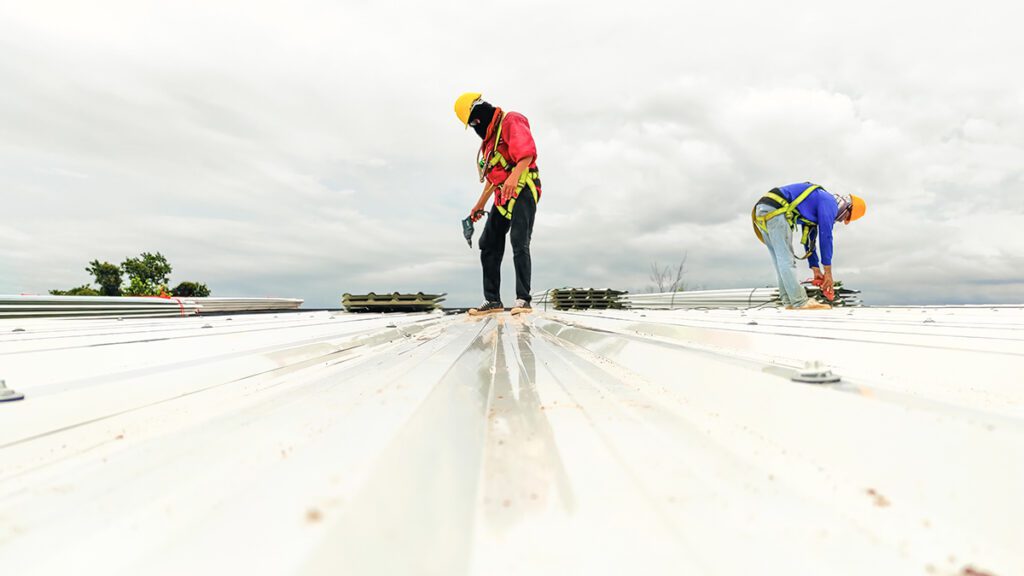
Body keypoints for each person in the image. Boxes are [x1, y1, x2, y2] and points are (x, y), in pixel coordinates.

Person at [453, 92, 542, 316]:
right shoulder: (489, 144)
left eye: (474, 121)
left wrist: (514, 177)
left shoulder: (511, 120)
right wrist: (478, 205)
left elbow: (527, 153)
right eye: (471, 124)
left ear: (480, 113)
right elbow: (493, 180)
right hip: (503, 196)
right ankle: (493, 301)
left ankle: (523, 300)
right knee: (488, 242)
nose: (475, 126)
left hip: (523, 187)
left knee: (519, 240)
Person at [752, 182, 866, 310]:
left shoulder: (816, 204)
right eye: (845, 217)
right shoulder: (830, 203)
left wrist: (815, 269)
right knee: (787, 260)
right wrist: (828, 272)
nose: (841, 220)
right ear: (847, 207)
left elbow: (808, 240)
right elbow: (826, 236)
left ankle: (789, 301)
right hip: (775, 210)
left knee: (780, 261)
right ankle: (799, 302)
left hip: (763, 210)